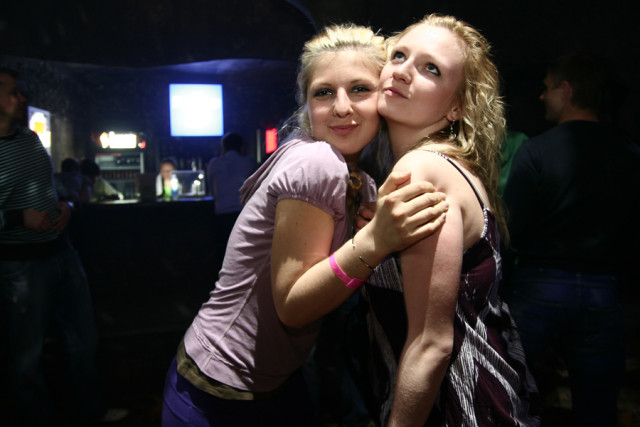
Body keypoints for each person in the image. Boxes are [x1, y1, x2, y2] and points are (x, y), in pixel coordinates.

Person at [161, 24, 450, 426]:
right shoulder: (317, 162)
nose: (342, 107)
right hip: (218, 390)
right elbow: (293, 308)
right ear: (307, 106)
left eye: (360, 89)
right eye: (324, 93)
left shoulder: (362, 182)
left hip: (274, 381)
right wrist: (375, 240)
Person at [357, 14, 539, 426]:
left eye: (431, 69)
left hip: (460, 408)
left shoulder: (423, 170)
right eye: (399, 56)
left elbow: (432, 344)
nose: (402, 71)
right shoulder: (450, 164)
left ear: (456, 106)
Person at [503, 53, 640, 427]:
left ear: (566, 90)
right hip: (604, 290)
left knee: (510, 396)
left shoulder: (536, 150)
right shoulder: (630, 153)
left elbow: (513, 228)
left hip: (539, 285)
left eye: (547, 88)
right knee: (597, 407)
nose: (541, 96)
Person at [0, 68, 127, 426]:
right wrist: (18, 218)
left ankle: (90, 411)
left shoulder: (29, 139)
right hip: (20, 265)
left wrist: (67, 205)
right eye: (13, 92)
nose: (22, 98)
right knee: (26, 357)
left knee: (83, 341)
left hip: (62, 253)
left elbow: (52, 185)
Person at [206, 132, 257, 270]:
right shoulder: (250, 162)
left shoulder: (214, 163)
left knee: (222, 253)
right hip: (243, 214)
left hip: (221, 213)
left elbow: (211, 189)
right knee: (243, 255)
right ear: (241, 147)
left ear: (223, 148)